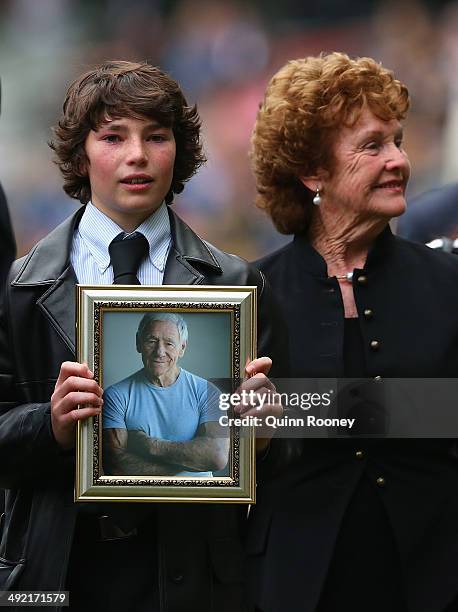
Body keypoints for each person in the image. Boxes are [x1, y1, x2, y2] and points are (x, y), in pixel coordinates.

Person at [0, 61, 284, 612]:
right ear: (81, 155)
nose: (137, 155)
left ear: (179, 151)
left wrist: (265, 434)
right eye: (113, 136)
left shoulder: (236, 282)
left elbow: (282, 454)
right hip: (56, 572)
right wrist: (52, 427)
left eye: (156, 136)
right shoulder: (17, 288)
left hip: (191, 576)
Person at [246, 52, 458, 612]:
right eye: (373, 145)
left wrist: (297, 410)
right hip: (298, 584)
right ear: (312, 171)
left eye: (398, 141)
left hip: (435, 575)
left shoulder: (449, 280)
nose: (399, 161)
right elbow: (208, 443)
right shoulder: (250, 293)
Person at [103, 312, 228, 477]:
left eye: (169, 343)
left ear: (182, 348)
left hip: (197, 500)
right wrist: (191, 463)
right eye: (151, 341)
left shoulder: (208, 392)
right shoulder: (115, 396)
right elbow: (116, 467)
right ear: (138, 343)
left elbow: (217, 456)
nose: (159, 351)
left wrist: (148, 445)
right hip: (138, 502)